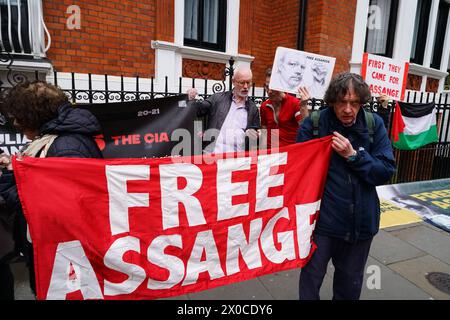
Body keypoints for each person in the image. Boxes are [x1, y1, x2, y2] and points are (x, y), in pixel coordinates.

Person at [296, 72, 396, 300]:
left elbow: (386, 171)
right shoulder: (314, 124)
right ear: (332, 101)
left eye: (354, 103)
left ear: (362, 102)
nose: (348, 109)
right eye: (342, 102)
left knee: (349, 287)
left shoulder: (374, 124)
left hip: (360, 225)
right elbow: (297, 170)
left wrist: (354, 156)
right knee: (310, 281)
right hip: (321, 225)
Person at [0, 81, 103, 298]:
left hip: (62, 255)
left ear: (34, 116)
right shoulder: (58, 140)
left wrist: (10, 178)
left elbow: (54, 209)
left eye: (19, 117)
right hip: (57, 251)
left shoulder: (65, 146)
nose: (16, 123)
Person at [187, 66, 260, 153]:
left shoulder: (253, 108)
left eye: (248, 83)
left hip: (237, 159)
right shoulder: (218, 99)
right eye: (242, 82)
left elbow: (254, 133)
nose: (245, 86)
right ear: (233, 82)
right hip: (212, 155)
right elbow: (197, 110)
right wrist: (190, 99)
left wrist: (256, 135)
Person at [260, 68, 310, 149]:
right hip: (271, 153)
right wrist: (262, 154)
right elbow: (264, 131)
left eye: (272, 87)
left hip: (290, 152)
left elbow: (306, 127)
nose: (269, 91)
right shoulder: (264, 106)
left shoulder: (294, 103)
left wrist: (304, 106)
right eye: (266, 87)